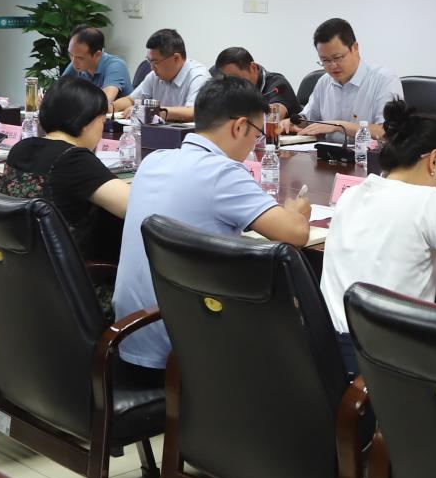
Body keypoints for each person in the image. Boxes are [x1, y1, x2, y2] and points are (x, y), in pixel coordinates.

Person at [112, 77, 312, 377]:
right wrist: (297, 212)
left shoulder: (154, 161)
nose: (254, 144)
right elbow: (295, 234)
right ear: (239, 127)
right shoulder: (222, 172)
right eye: (257, 134)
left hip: (130, 332)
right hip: (184, 350)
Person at [318, 100, 436, 375]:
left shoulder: (352, 194)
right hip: (388, 362)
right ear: (433, 160)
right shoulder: (427, 200)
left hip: (331, 356)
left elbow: (398, 243)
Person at [0, 77, 132, 262]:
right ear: (85, 121)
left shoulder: (20, 148)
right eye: (102, 121)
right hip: (66, 274)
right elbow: (134, 206)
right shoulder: (74, 159)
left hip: (18, 266)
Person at [297, 17, 402, 140]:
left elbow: (387, 132)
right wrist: (292, 122)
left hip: (368, 152)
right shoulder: (324, 82)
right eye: (325, 60)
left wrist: (338, 126)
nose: (332, 65)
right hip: (327, 151)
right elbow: (309, 119)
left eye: (337, 57)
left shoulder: (385, 80)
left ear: (355, 48)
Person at [111, 28, 211, 122]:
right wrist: (109, 108)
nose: (152, 68)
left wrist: (153, 112)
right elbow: (130, 100)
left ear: (176, 58)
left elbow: (193, 112)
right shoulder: (154, 76)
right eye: (149, 61)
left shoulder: (198, 76)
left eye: (155, 62)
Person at [214, 45, 301, 120]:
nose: (232, 84)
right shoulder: (229, 88)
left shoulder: (278, 85)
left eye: (235, 78)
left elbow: (272, 118)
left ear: (253, 68)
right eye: (226, 80)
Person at [62, 24, 131, 105]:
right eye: (71, 54)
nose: (74, 61)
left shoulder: (116, 66)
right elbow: (58, 91)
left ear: (97, 54)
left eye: (80, 58)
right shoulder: (77, 62)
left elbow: (104, 102)